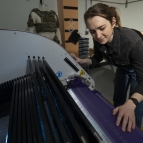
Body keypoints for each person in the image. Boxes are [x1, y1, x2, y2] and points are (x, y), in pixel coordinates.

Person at [70, 3, 143, 132]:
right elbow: (97, 57)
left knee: (135, 106)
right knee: (118, 98)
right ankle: (118, 123)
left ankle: (134, 133)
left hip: (135, 69)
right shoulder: (98, 38)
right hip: (121, 67)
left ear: (113, 22)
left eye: (102, 28)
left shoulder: (133, 42)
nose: (98, 35)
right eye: (92, 31)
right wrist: (82, 60)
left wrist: (131, 103)